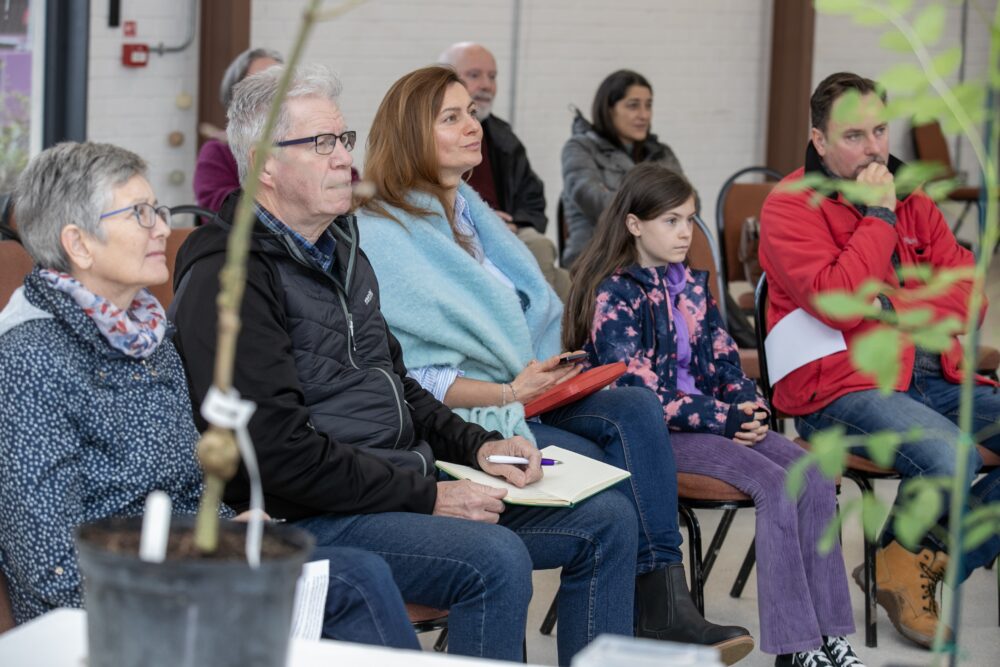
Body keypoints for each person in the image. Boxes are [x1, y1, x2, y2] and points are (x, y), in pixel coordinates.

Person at [169, 63, 639, 666]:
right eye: (321, 143)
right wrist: (427, 497)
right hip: (310, 511)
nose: (344, 157)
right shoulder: (228, 275)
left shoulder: (340, 247)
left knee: (608, 520)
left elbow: (399, 384)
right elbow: (275, 453)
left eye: (344, 139)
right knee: (492, 558)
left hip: (397, 483)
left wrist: (476, 448)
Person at [355, 65, 754, 666]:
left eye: (472, 111)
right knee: (610, 473)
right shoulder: (385, 233)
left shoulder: (468, 209)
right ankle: (651, 611)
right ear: (412, 133)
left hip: (530, 386)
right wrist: (510, 388)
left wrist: (550, 371)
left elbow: (531, 313)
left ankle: (661, 596)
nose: (474, 126)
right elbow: (414, 378)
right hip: (470, 414)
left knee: (633, 403)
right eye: (452, 117)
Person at [0, 141, 420, 651]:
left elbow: (186, 487)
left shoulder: (148, 338)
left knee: (354, 577)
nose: (161, 227)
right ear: (79, 244)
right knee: (356, 583)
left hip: (184, 568)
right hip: (108, 608)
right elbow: (51, 563)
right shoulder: (29, 359)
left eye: (157, 209)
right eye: (139, 213)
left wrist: (229, 526)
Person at [564, 163, 863, 667]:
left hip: (716, 420)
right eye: (671, 221)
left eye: (690, 220)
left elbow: (726, 361)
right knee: (773, 483)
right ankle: (796, 646)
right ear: (635, 224)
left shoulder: (692, 288)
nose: (685, 233)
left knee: (812, 476)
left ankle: (831, 634)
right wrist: (722, 417)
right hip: (659, 437)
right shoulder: (615, 294)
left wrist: (749, 404)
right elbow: (640, 394)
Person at [759, 71, 1000, 649]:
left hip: (929, 372)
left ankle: (907, 561)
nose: (874, 150)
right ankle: (909, 563)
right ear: (818, 141)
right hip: (840, 388)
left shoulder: (915, 197)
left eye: (880, 131)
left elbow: (971, 295)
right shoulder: (790, 207)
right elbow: (839, 303)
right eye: (854, 136)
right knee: (951, 455)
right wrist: (880, 217)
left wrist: (893, 304)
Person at [439, 42, 570, 301]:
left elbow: (532, 197)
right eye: (475, 75)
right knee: (544, 256)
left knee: (565, 280)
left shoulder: (502, 136)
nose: (487, 85)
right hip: (458, 229)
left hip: (507, 229)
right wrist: (482, 219)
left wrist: (514, 222)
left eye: (493, 76)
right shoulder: (434, 133)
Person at [560, 69, 684, 267]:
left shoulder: (661, 153)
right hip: (598, 260)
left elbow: (688, 203)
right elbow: (592, 198)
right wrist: (659, 211)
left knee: (703, 287)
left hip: (659, 260)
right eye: (633, 106)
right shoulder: (580, 148)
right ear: (609, 109)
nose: (644, 115)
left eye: (648, 105)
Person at [193, 47, 284, 212]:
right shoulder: (218, 151)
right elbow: (219, 210)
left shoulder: (309, 142)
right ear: (235, 97)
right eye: (259, 84)